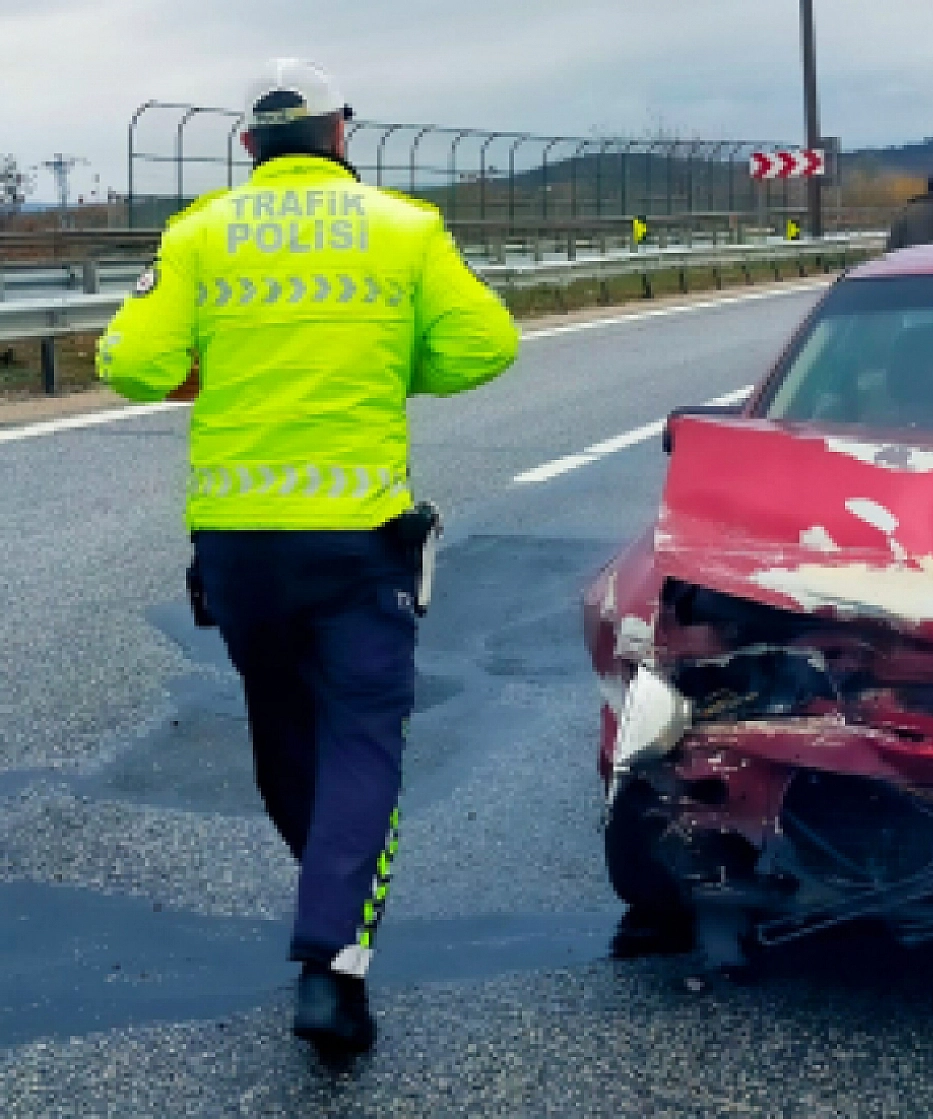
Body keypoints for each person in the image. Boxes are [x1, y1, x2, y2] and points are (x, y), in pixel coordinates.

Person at [96, 59, 520, 1056]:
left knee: (284, 735)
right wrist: (386, 361)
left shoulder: (199, 232)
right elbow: (486, 344)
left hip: (240, 555)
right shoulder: (405, 228)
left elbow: (128, 360)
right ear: (343, 132)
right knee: (363, 743)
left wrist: (210, 368)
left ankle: (330, 897)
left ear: (248, 147)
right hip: (356, 547)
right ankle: (333, 966)